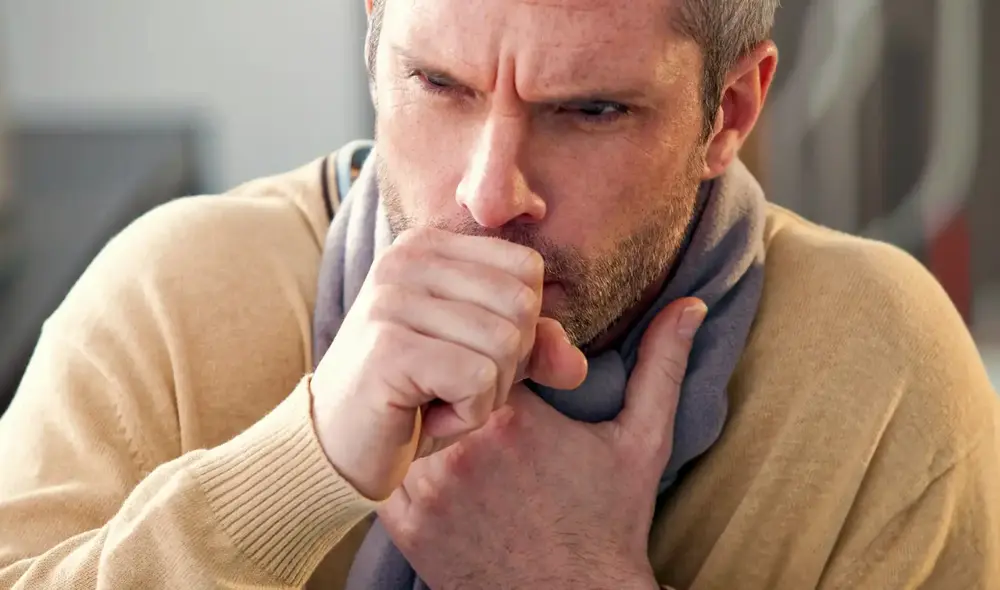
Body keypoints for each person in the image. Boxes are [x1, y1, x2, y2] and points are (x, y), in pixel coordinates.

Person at [1, 0, 998, 588]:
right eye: (437, 85)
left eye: (588, 110)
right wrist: (304, 463)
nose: (489, 193)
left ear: (728, 111)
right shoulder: (170, 298)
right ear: (372, 33)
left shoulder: (878, 372)